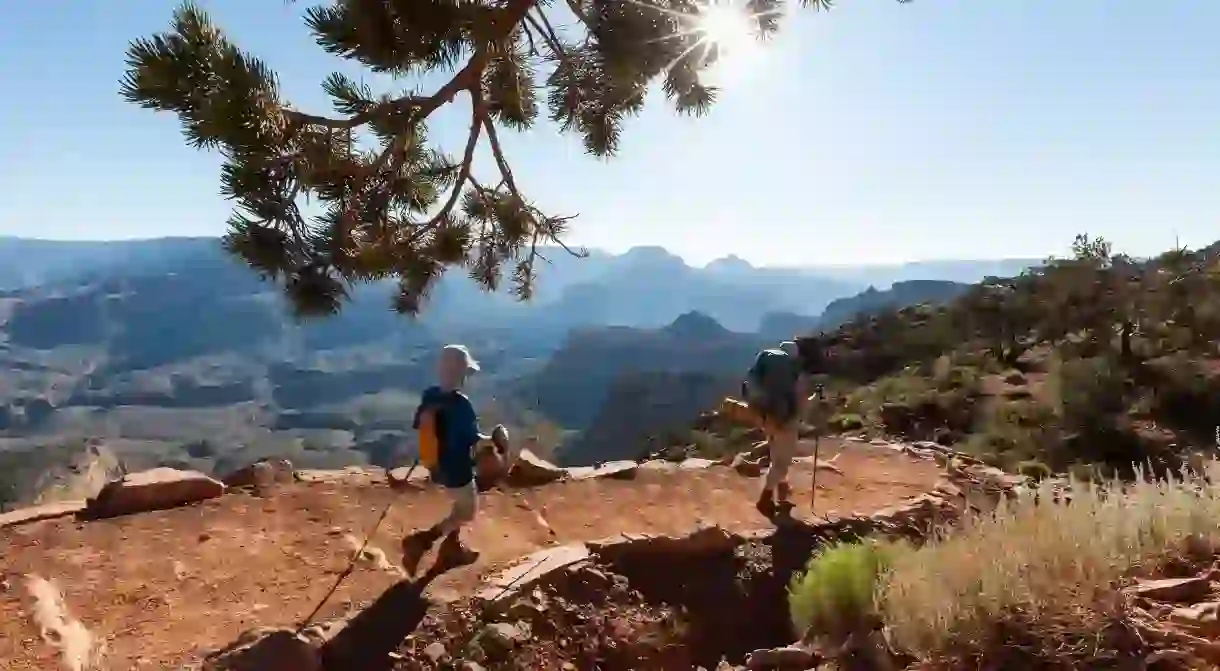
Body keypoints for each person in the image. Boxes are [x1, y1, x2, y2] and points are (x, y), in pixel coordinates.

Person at [399, 344, 511, 575]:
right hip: (457, 470)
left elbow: (419, 424)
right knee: (467, 511)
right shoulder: (462, 405)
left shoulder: (430, 395)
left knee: (459, 507)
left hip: (436, 466)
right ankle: (424, 540)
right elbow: (474, 440)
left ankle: (452, 548)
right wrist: (495, 439)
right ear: (462, 374)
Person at [742, 340, 812, 518]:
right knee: (782, 462)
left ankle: (781, 496)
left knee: (776, 456)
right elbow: (800, 401)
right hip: (786, 421)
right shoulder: (795, 373)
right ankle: (765, 498)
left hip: (767, 417)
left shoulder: (767, 371)